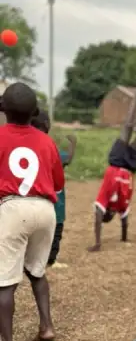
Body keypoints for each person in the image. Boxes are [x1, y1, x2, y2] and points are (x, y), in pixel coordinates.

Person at [0, 84, 65, 341]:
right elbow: (58, 183)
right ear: (35, 112)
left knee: (5, 283)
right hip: (45, 208)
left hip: (13, 207)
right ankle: (47, 326)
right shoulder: (46, 140)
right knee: (37, 272)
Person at [89, 84, 136, 252]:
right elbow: (124, 222)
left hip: (118, 162)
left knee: (133, 128)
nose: (105, 212)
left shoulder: (106, 201)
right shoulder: (120, 207)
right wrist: (122, 239)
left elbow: (104, 219)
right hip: (128, 166)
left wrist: (98, 243)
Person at [30, 110, 77, 268]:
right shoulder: (50, 147)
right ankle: (51, 259)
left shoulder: (28, 146)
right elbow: (67, 159)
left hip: (31, 202)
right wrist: (73, 144)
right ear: (46, 125)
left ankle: (32, 258)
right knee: (55, 232)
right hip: (55, 203)